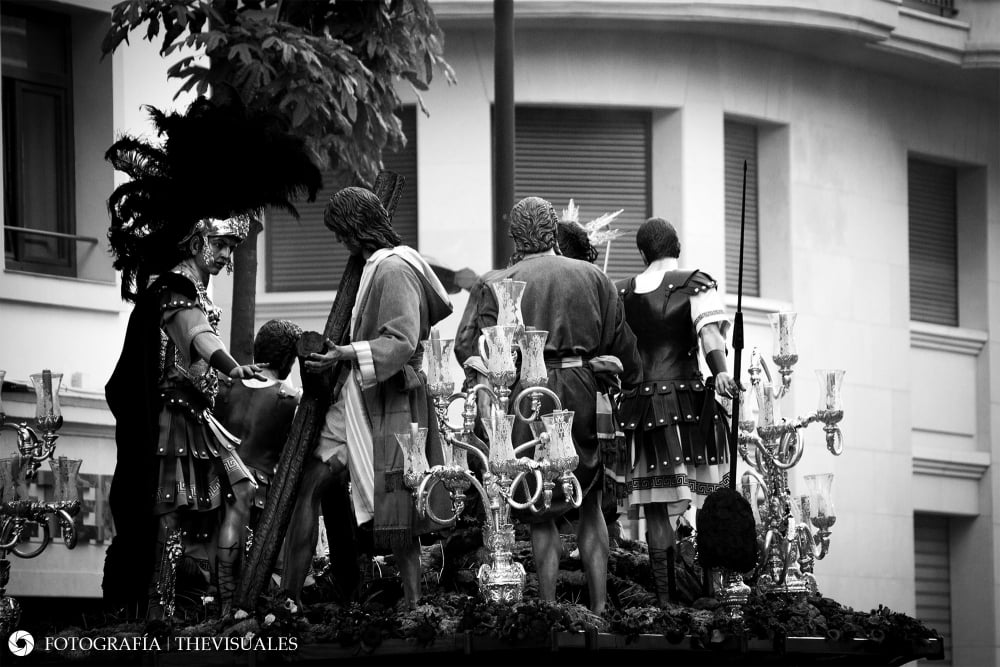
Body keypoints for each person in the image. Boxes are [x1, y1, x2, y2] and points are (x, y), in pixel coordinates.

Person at [103, 96, 321, 621]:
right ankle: (159, 612)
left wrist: (223, 380)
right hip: (170, 423)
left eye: (231, 248)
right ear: (198, 237)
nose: (227, 257)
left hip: (200, 419)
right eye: (221, 246)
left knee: (238, 490)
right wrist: (232, 366)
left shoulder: (195, 289)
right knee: (171, 516)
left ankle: (230, 604)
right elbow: (196, 337)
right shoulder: (175, 288)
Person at [468, 196, 642, 614]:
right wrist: (617, 372)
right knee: (591, 503)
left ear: (516, 238)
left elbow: (489, 355)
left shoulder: (499, 282)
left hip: (527, 398)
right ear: (553, 233)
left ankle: (547, 607)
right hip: (583, 392)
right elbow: (625, 350)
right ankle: (599, 607)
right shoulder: (594, 277)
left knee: (539, 508)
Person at [297, 186, 453, 609]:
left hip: (388, 396)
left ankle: (413, 601)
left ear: (358, 228)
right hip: (366, 395)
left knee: (399, 501)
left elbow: (401, 341)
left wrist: (344, 353)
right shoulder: (376, 267)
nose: (338, 241)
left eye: (341, 231)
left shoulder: (394, 270)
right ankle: (321, 591)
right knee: (335, 487)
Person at [615, 216, 739, 606]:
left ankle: (666, 602)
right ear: (677, 247)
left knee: (654, 508)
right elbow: (709, 332)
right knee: (708, 503)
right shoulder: (695, 282)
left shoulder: (622, 293)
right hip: (689, 406)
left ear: (641, 252)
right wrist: (721, 372)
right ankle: (712, 593)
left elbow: (617, 353)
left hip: (640, 411)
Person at [214, 319, 303, 527]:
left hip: (214, 490)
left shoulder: (223, 385)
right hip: (257, 498)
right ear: (288, 360)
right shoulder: (291, 400)